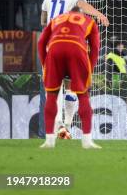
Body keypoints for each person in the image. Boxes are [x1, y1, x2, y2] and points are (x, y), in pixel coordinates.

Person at [40, 0, 109, 139]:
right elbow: (82, 5)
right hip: (72, 43)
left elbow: (43, 20)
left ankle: (59, 126)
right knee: (71, 88)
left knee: (53, 89)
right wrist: (99, 14)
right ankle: (68, 125)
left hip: (52, 44)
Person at [37, 8, 101, 149]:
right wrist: (89, 68)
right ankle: (85, 140)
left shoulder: (56, 19)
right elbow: (95, 47)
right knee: (82, 95)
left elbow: (41, 42)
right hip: (77, 51)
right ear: (81, 13)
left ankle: (49, 140)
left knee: (52, 95)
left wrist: (44, 64)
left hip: (55, 51)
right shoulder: (89, 21)